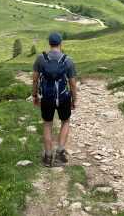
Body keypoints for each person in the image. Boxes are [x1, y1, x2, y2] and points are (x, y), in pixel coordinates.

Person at [32, 32, 77, 167]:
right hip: (63, 97)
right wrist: (74, 100)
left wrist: (34, 95)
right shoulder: (68, 60)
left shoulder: (41, 59)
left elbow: (35, 80)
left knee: (47, 124)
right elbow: (73, 84)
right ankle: (60, 153)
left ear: (49, 43)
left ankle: (47, 157)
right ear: (60, 43)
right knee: (65, 121)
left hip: (46, 98)